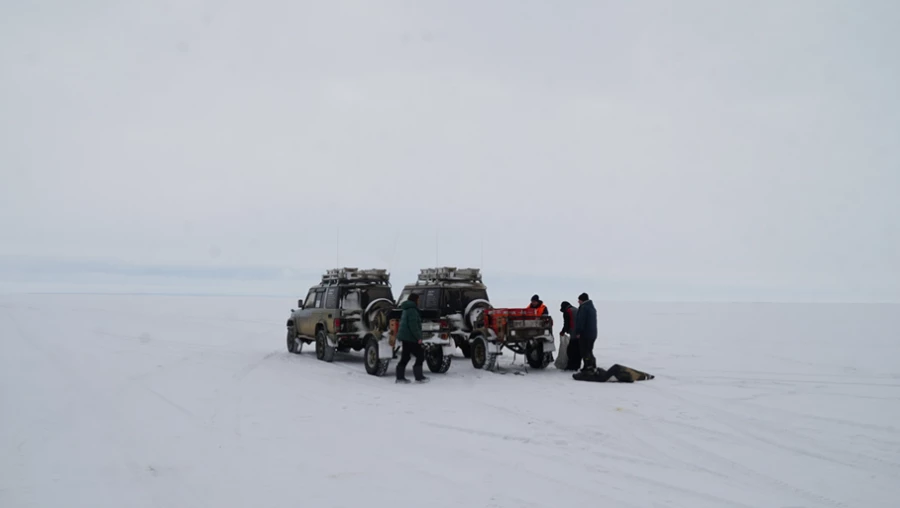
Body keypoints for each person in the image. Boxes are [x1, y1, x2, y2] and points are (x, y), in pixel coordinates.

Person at [395, 293, 428, 383]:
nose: (419, 301)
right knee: (420, 355)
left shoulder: (406, 309)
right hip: (410, 337)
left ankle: (400, 377)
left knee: (405, 357)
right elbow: (413, 326)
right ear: (415, 300)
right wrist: (419, 337)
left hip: (406, 337)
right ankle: (419, 377)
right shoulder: (412, 310)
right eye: (418, 299)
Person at [574, 292, 598, 373]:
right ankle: (592, 365)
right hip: (592, 333)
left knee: (585, 351)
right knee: (589, 350)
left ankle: (588, 367)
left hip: (585, 334)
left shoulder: (584, 308)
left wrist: (578, 332)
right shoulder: (591, 307)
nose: (578, 302)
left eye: (579, 300)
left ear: (582, 300)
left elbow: (581, 321)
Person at [558, 301, 582, 370]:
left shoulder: (567, 311)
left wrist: (563, 332)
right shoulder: (575, 309)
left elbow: (566, 323)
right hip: (580, 333)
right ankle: (577, 365)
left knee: (571, 350)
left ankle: (571, 366)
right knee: (578, 350)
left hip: (574, 334)